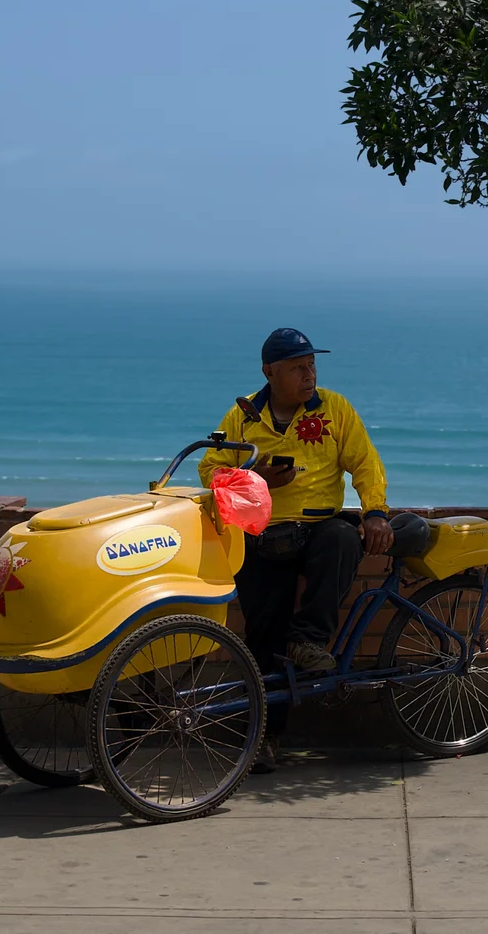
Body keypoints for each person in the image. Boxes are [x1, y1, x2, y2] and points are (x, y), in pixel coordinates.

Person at [199, 327, 391, 771]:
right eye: (297, 368)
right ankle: (266, 736)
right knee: (264, 636)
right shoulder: (243, 416)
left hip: (319, 528)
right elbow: (211, 469)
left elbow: (365, 463)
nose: (309, 375)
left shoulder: (334, 409)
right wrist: (255, 478)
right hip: (262, 534)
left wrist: (376, 511)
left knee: (344, 537)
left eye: (312, 366)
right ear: (270, 371)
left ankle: (309, 641)